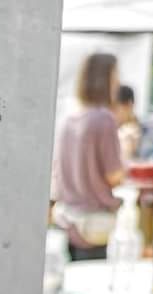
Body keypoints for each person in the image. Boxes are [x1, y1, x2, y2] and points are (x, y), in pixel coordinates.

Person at [52, 53, 124, 261]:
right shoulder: (104, 119)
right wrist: (125, 153)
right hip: (94, 226)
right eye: (115, 74)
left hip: (65, 220)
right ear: (105, 78)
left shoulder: (69, 119)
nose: (118, 81)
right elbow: (114, 176)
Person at [114, 84, 143, 166]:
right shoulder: (111, 129)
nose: (112, 113)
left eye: (115, 108)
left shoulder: (144, 132)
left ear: (129, 105)